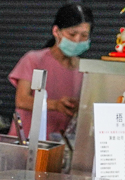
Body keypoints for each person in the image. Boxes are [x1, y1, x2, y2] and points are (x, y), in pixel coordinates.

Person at [8, 2, 93, 141]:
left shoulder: (84, 69)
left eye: (84, 35)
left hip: (59, 144)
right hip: (27, 141)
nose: (77, 40)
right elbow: (22, 100)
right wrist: (55, 105)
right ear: (56, 31)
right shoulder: (34, 60)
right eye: (72, 34)